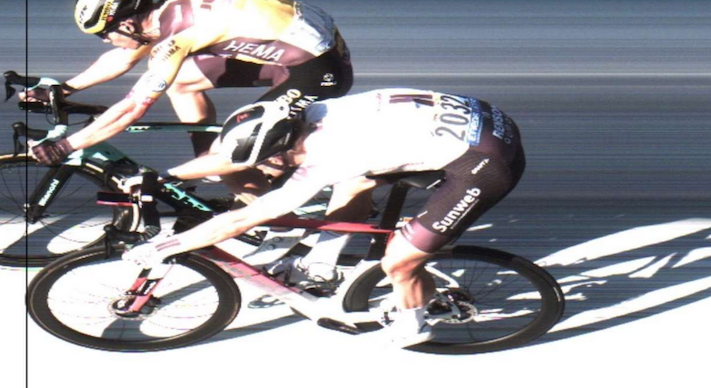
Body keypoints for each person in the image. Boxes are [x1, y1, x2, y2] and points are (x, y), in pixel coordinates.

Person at [121, 89, 527, 347]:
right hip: (482, 118)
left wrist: (166, 246)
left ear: (283, 150)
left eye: (267, 162)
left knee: (400, 261)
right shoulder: (310, 112)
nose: (265, 170)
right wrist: (164, 175)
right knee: (353, 183)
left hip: (485, 163)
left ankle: (414, 325)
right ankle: (320, 263)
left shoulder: (328, 156)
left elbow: (242, 220)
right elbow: (231, 156)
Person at [27, 0, 354, 201]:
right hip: (303, 50)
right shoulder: (174, 2)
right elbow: (126, 57)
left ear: (126, 23)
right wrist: (64, 89)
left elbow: (132, 108)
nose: (104, 41)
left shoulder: (176, 36)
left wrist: (68, 145)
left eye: (104, 33)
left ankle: (277, 228)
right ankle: (212, 162)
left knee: (230, 156)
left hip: (318, 71)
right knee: (182, 82)